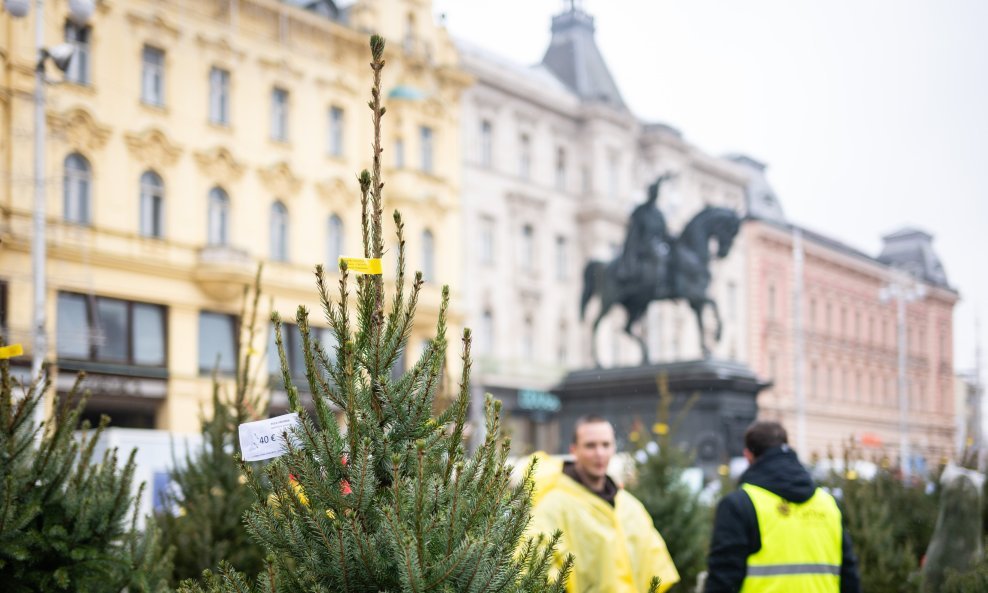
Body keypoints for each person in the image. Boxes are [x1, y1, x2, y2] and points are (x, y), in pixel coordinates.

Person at [527, 415, 680, 593]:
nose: (599, 453)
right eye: (590, 445)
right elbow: (536, 569)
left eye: (605, 445)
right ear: (574, 450)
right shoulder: (553, 505)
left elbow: (656, 566)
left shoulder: (630, 506)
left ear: (613, 448)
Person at [704, 421, 861, 593]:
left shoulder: (739, 504)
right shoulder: (828, 504)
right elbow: (849, 576)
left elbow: (723, 577)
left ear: (748, 455)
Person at [616, 172, 675, 292]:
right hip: (642, 246)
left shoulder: (658, 214)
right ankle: (659, 286)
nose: (655, 195)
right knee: (658, 256)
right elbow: (634, 231)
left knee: (671, 257)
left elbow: (665, 234)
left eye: (656, 193)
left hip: (656, 245)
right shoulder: (641, 211)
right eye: (653, 193)